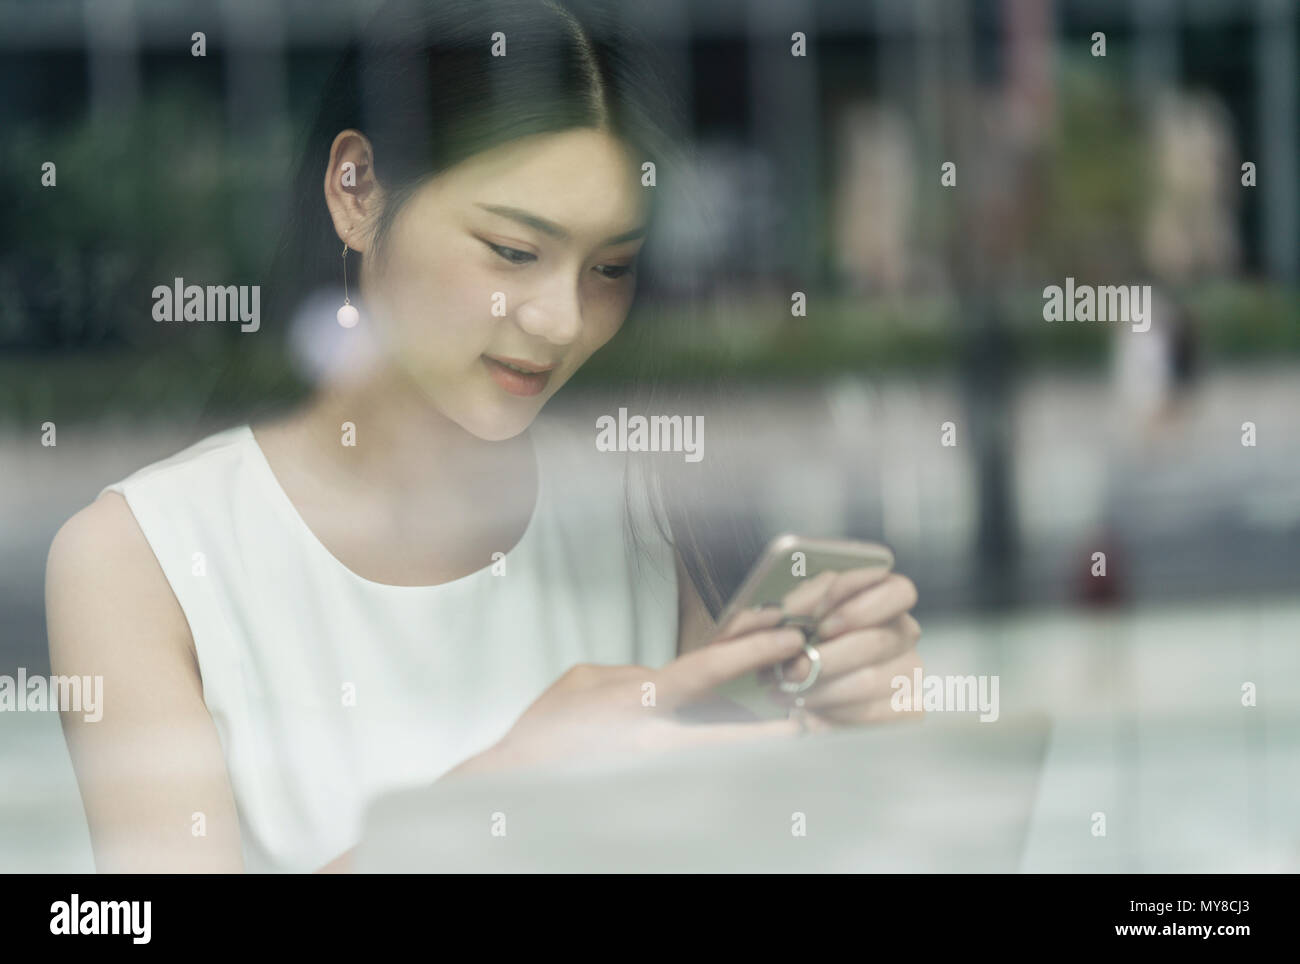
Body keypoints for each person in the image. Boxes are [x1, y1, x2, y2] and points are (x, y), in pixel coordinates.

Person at [44, 0, 922, 873]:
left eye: (611, 268)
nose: (561, 318)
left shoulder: (645, 509)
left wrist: (841, 735)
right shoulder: (140, 559)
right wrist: (505, 795)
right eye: (511, 251)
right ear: (356, 190)